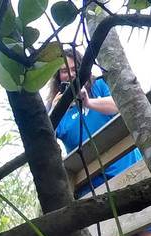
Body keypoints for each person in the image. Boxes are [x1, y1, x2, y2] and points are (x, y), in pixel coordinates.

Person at [47, 48, 142, 196]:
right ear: (58, 76)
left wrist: (88, 102)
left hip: (127, 165)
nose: (71, 74)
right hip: (91, 183)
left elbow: (118, 105)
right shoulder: (55, 108)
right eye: (65, 71)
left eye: (74, 69)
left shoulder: (98, 84)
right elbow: (46, 143)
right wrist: (56, 111)